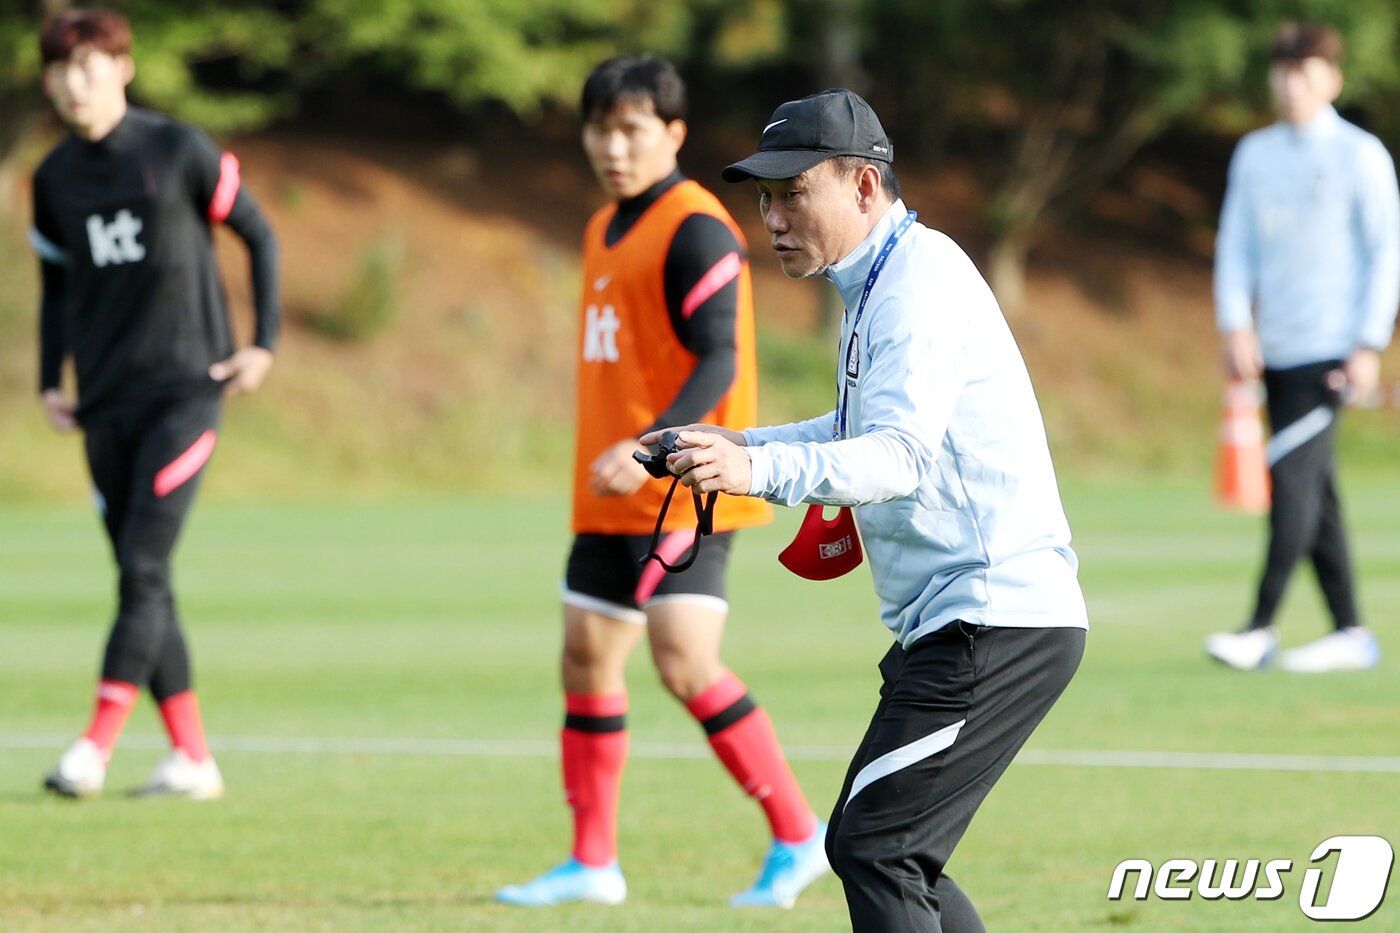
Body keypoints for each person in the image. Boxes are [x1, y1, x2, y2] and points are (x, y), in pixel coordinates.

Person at [644, 88, 1088, 932]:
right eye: (765, 197)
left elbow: (895, 458)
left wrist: (753, 467)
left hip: (994, 620)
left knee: (877, 845)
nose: (772, 216)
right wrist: (726, 443)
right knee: (882, 846)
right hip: (969, 622)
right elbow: (857, 430)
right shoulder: (882, 280)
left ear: (862, 185)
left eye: (793, 191)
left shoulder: (915, 289)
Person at [494, 55, 828, 909]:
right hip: (608, 492)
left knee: (683, 659)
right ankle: (592, 862)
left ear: (673, 134)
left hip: (683, 482)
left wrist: (650, 443)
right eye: (600, 127)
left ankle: (799, 836)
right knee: (587, 657)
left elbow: (718, 354)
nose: (613, 145)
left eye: (632, 128)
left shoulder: (698, 228)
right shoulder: (604, 225)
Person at [32, 8, 280, 799]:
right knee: (147, 575)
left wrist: (263, 342)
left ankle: (93, 748)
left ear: (124, 67)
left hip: (183, 395)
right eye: (62, 69)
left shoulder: (177, 149)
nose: (78, 83)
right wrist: (51, 378)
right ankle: (192, 758)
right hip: (104, 405)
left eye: (92, 65)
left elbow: (259, 233)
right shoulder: (52, 179)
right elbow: (56, 288)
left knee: (141, 566)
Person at [1205, 23, 1398, 673]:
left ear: (1332, 81)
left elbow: (1385, 256)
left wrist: (1369, 344)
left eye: (1305, 73)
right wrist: (1236, 325)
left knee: (1290, 481)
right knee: (1316, 490)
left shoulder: (1360, 155)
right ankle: (1351, 630)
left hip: (1336, 354)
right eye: (1283, 72)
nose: (1291, 86)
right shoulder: (1256, 155)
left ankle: (1259, 626)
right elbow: (1235, 247)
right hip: (1277, 352)